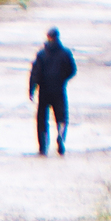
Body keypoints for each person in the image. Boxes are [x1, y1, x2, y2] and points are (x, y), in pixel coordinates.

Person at [29, 27, 76, 156]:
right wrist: (62, 79)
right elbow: (72, 70)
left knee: (41, 120)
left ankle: (43, 145)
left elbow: (35, 73)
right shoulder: (65, 53)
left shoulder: (42, 54)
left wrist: (32, 89)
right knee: (61, 117)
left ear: (48, 37)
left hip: (44, 91)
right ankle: (60, 137)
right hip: (59, 90)